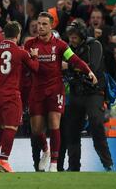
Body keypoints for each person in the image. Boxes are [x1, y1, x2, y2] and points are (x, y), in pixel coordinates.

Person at [24, 12, 97, 172]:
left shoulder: (61, 45)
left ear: (51, 26)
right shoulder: (29, 45)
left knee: (54, 123)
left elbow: (74, 60)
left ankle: (54, 164)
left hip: (55, 89)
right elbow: (25, 65)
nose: (40, 27)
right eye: (38, 24)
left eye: (44, 24)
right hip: (36, 90)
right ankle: (46, 150)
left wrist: (88, 71)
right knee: (36, 130)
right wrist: (31, 59)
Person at [0, 21, 39, 172]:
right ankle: (4, 160)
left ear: (4, 33)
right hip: (10, 94)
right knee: (11, 127)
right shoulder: (20, 51)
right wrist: (35, 56)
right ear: (17, 35)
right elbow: (35, 68)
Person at [65, 20, 114, 171]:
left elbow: (92, 67)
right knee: (72, 129)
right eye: (70, 37)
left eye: (74, 37)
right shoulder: (68, 49)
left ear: (82, 35)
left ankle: (108, 164)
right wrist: (71, 69)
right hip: (76, 92)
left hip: (94, 92)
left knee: (96, 124)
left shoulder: (95, 45)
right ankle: (73, 167)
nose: (71, 40)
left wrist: (69, 66)